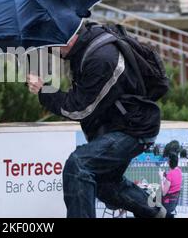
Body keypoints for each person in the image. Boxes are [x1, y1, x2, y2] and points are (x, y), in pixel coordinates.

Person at [26, 22, 167, 218]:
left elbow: (79, 109)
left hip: (133, 130)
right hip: (125, 124)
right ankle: (156, 213)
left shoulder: (101, 59)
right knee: (106, 185)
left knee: (79, 165)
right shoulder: (87, 46)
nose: (51, 52)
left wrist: (44, 90)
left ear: (67, 37)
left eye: (51, 46)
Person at [159, 153, 183, 218]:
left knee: (152, 202)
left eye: (168, 160)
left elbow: (164, 193)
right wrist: (166, 176)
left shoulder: (170, 174)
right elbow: (173, 180)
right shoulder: (179, 171)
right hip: (174, 203)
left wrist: (161, 178)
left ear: (170, 162)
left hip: (167, 204)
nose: (167, 161)